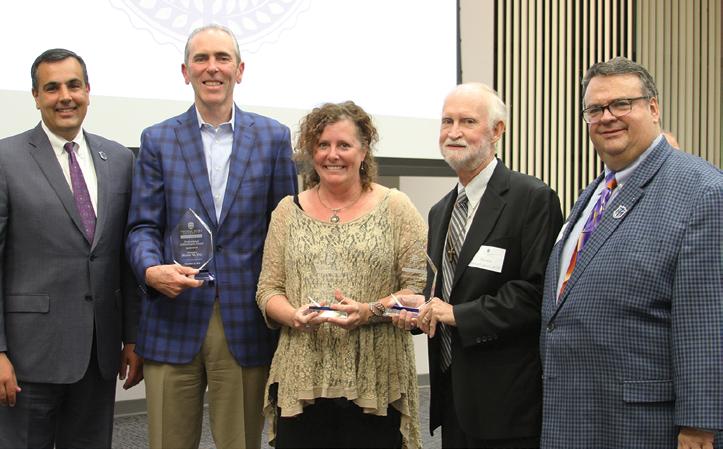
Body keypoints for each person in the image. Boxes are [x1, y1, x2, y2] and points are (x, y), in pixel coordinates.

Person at [125, 24, 298, 449]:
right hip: (172, 313)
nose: (212, 68)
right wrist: (150, 270)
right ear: (186, 72)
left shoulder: (273, 138)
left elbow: (285, 231)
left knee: (240, 441)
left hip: (244, 319)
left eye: (223, 58)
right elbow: (143, 226)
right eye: (201, 59)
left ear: (240, 70)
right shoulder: (157, 139)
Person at [540, 57, 722, 449]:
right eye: (595, 109)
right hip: (578, 410)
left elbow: (706, 320)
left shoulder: (702, 191)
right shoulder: (596, 192)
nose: (607, 117)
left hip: (643, 425)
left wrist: (699, 425)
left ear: (653, 108)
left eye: (621, 104)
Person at [393, 83, 563, 448]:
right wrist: (421, 308)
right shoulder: (441, 211)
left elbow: (536, 295)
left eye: (467, 121)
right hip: (452, 395)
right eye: (447, 121)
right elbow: (446, 290)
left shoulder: (532, 198)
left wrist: (456, 314)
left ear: (497, 130)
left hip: (506, 403)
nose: (453, 132)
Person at [255, 101, 427, 449]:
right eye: (323, 145)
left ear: (363, 151)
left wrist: (369, 311)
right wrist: (293, 316)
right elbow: (267, 290)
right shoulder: (287, 211)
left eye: (344, 145)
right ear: (311, 152)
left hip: (375, 378)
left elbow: (417, 292)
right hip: (302, 375)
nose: (332, 155)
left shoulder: (396, 208)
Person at [0, 48, 141, 448]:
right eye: (52, 88)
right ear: (35, 96)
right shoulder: (5, 159)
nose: (65, 96)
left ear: (88, 91)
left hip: (98, 355)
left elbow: (123, 258)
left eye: (74, 85)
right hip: (27, 358)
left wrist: (132, 337)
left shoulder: (118, 159)